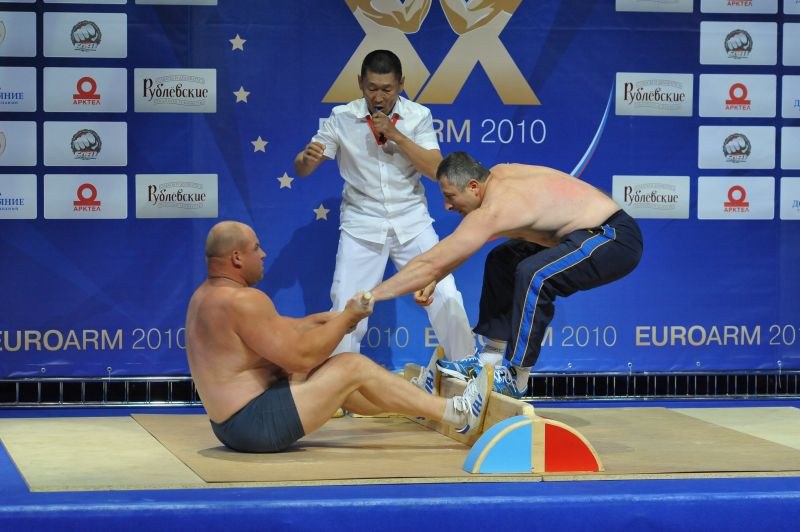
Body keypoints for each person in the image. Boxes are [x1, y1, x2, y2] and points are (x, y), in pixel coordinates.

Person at [184, 221, 491, 453]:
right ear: (237, 258)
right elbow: (301, 358)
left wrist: (333, 318)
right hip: (253, 425)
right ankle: (460, 414)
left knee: (339, 383)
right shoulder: (244, 301)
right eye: (256, 248)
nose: (263, 254)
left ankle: (419, 401)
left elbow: (283, 328)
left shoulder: (205, 296)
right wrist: (347, 319)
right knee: (349, 366)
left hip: (229, 427)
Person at [368, 152, 644, 398]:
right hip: (581, 231)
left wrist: (371, 296)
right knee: (502, 260)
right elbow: (459, 249)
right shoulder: (498, 175)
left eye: (450, 196)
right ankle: (490, 359)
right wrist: (435, 278)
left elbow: (432, 261)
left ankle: (517, 378)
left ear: (473, 187)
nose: (447, 206)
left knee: (535, 275)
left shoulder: (495, 209)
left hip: (613, 238)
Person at [294, 49, 474, 362]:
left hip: (412, 221)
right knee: (346, 305)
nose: (379, 97)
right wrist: (305, 159)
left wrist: (395, 135)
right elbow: (303, 168)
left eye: (387, 89)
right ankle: (340, 381)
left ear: (401, 84)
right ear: (360, 83)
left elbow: (435, 170)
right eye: (372, 88)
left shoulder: (418, 116)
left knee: (445, 294)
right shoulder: (342, 117)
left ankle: (465, 370)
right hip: (362, 223)